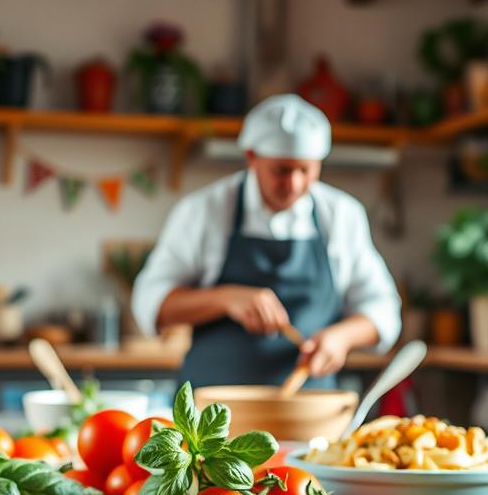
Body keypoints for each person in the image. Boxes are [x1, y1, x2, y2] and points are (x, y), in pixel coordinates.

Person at [132, 94, 400, 388]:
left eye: (306, 170)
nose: (295, 184)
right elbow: (149, 303)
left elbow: (383, 309)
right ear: (252, 157)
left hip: (307, 414)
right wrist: (225, 298)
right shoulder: (204, 211)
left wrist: (342, 337)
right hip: (210, 416)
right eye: (282, 171)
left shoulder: (341, 215)